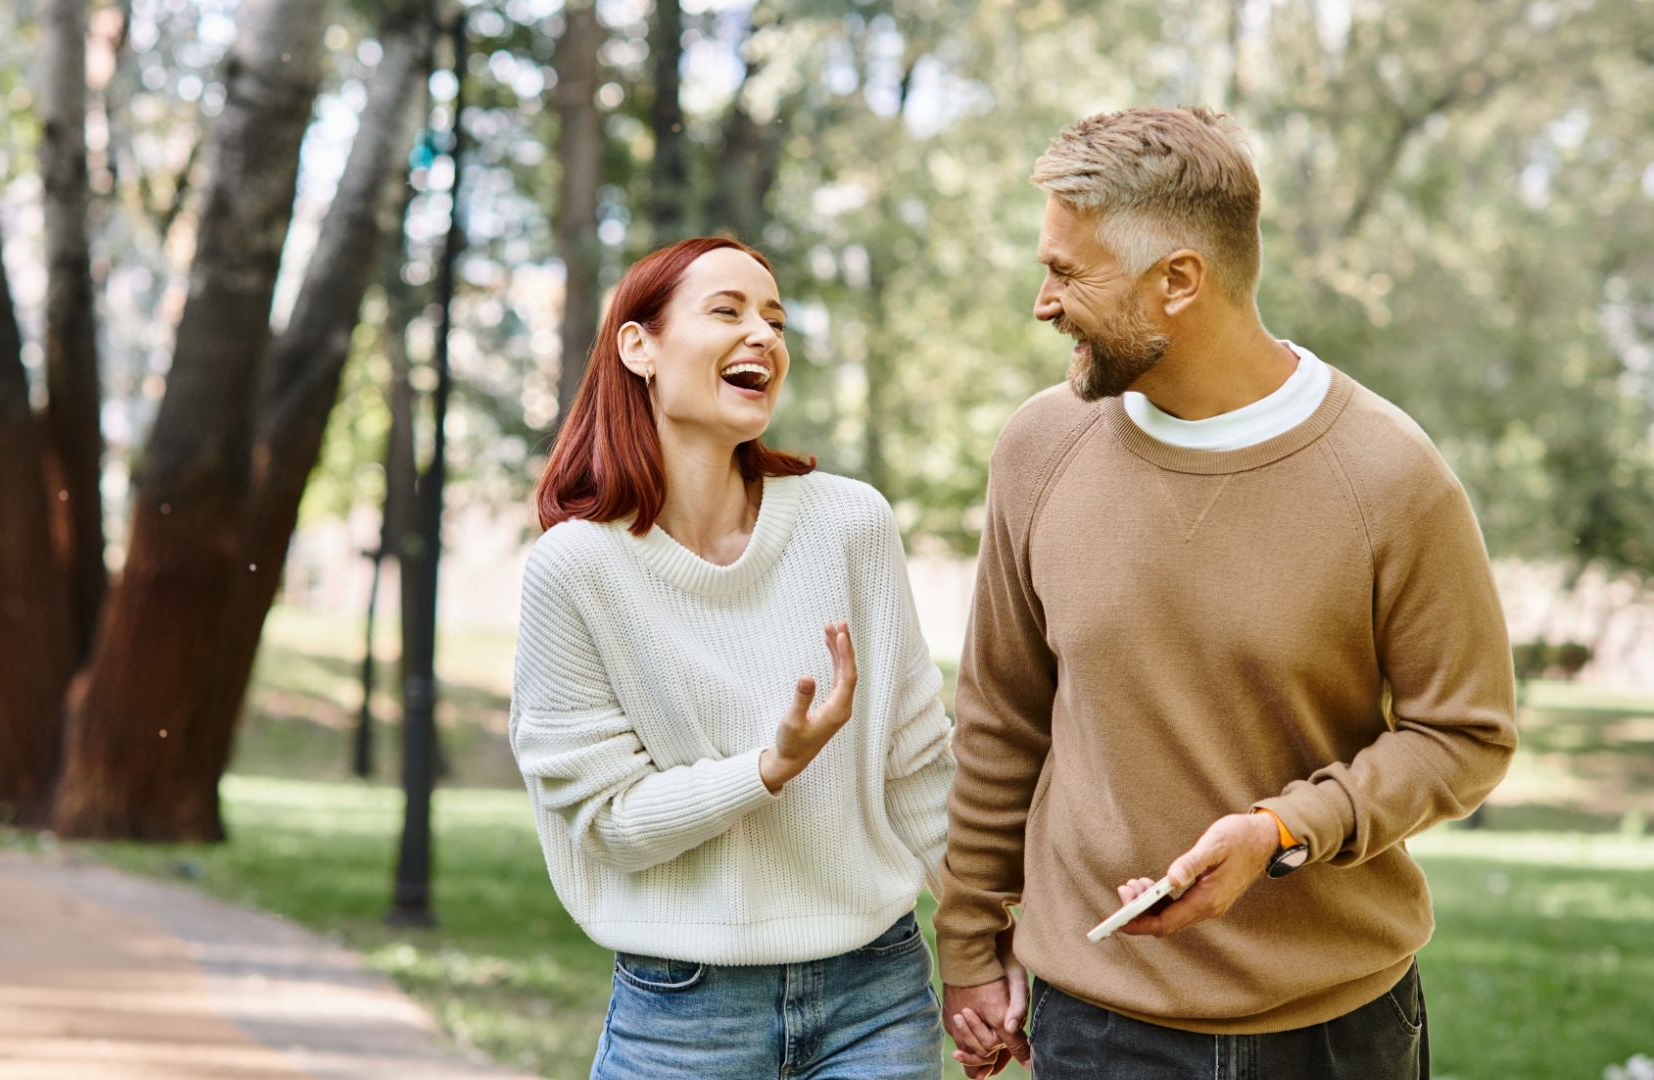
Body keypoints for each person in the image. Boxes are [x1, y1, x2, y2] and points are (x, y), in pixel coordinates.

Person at [935, 107, 1517, 1079]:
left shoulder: (1387, 475)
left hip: (1337, 1030)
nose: (1043, 303)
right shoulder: (1040, 449)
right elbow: (1000, 714)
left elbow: (1465, 735)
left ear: (1178, 282)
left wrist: (1284, 830)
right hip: (1099, 1023)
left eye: (1067, 272)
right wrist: (967, 944)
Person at [510, 236, 956, 1079]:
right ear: (638, 346)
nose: (764, 335)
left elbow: (918, 766)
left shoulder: (850, 526)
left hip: (878, 993)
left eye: (776, 319)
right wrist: (767, 768)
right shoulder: (577, 569)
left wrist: (975, 949)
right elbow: (609, 824)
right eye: (728, 311)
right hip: (684, 1017)